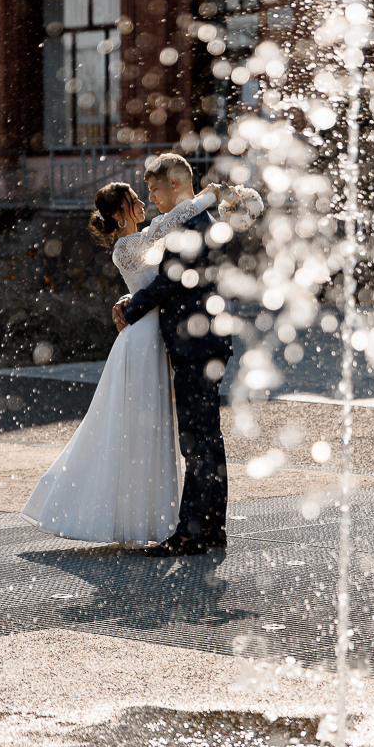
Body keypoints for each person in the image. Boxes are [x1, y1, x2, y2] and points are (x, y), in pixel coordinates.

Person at [21, 173, 226, 547]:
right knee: (130, 425)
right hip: (140, 341)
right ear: (119, 215)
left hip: (154, 337)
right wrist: (209, 196)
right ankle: (124, 515)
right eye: (134, 198)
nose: (142, 200)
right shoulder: (127, 244)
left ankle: (148, 518)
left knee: (151, 427)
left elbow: (152, 277)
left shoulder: (148, 234)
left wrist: (125, 301)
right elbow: (172, 229)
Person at [113, 153, 235, 557]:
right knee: (207, 438)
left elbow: (169, 283)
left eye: (155, 188)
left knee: (196, 442)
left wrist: (130, 310)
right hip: (204, 344)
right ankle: (211, 527)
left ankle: (191, 532)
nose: (151, 197)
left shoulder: (194, 225)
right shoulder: (199, 222)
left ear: (176, 185)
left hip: (197, 345)